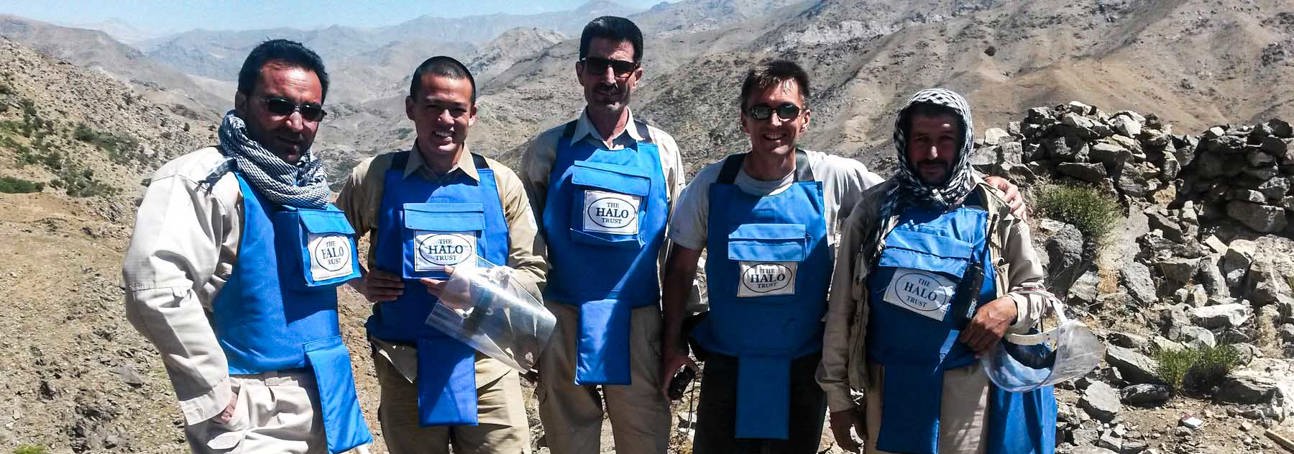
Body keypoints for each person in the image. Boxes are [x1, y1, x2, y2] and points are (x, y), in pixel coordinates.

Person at [659, 64, 1023, 453]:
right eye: (761, 111)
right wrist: (671, 345)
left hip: (802, 369)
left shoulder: (834, 176)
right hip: (727, 364)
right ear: (743, 119)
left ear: (806, 118)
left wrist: (983, 184)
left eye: (787, 110)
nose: (774, 122)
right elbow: (680, 269)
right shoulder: (713, 184)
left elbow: (913, 192)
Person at [123, 39, 372, 454]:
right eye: (278, 105)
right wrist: (215, 393)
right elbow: (154, 286)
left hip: (333, 399)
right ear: (242, 101)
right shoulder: (206, 179)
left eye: (310, 112)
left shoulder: (306, 185)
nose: (296, 122)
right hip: (255, 410)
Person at [818, 88, 1056, 454]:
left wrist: (1009, 308)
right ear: (904, 142)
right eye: (921, 140)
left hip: (968, 401)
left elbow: (1038, 296)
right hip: (887, 395)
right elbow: (841, 310)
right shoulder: (875, 211)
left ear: (963, 143)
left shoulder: (994, 210)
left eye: (945, 140)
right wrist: (839, 400)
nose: (932, 153)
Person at [335, 56, 546, 454]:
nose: (445, 119)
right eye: (433, 106)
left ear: (473, 114)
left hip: (488, 367)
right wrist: (359, 280)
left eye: (457, 109)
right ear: (411, 108)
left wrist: (479, 288)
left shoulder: (501, 183)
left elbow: (533, 270)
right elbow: (328, 243)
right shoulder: (375, 176)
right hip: (404, 366)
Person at [520, 16, 693, 454]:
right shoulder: (547, 150)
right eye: (597, 66)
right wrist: (527, 333)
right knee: (568, 441)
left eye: (620, 67)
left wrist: (680, 332)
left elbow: (681, 249)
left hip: (640, 323)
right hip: (561, 321)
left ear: (638, 73)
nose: (608, 78)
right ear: (580, 71)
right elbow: (525, 246)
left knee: (644, 439)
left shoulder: (663, 150)